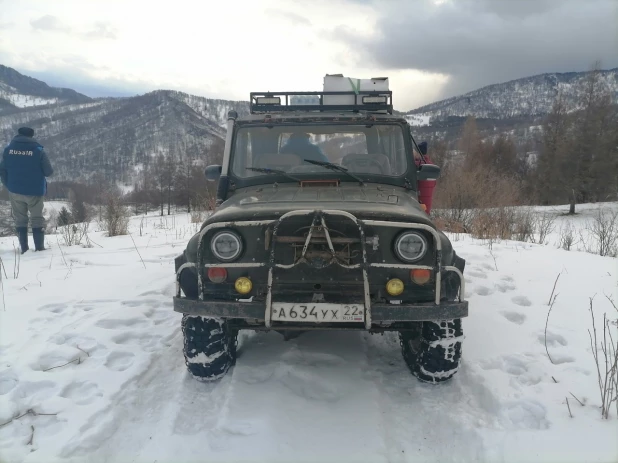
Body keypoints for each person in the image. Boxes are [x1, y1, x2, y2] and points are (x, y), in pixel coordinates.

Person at [0, 127, 54, 253]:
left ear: (18, 134)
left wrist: (9, 185)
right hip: (34, 191)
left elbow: (2, 170)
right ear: (32, 136)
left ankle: (24, 248)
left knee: (20, 219)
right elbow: (48, 172)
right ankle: (39, 248)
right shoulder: (38, 150)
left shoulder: (8, 150)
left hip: (15, 190)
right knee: (36, 218)